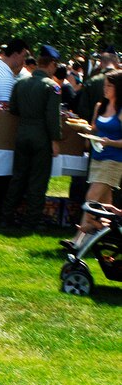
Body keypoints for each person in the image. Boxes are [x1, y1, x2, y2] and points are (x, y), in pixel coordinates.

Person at [1, 45, 62, 229]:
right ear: (51, 64)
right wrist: (55, 140)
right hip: (41, 137)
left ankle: (6, 216)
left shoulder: (21, 83)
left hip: (22, 133)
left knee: (18, 177)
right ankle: (32, 220)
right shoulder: (52, 87)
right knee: (38, 180)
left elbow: (13, 109)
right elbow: (52, 116)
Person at [64, 70, 122, 250]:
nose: (105, 88)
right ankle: (107, 235)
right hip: (97, 158)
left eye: (109, 85)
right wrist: (78, 124)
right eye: (104, 85)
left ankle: (78, 239)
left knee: (91, 197)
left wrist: (110, 142)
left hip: (113, 160)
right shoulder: (100, 106)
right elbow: (94, 129)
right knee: (105, 205)